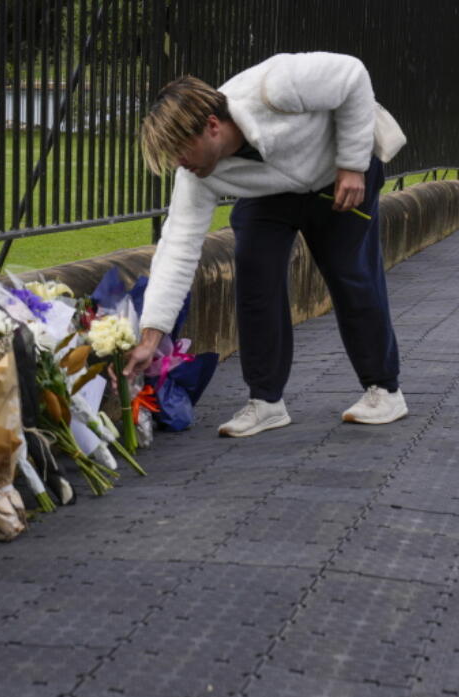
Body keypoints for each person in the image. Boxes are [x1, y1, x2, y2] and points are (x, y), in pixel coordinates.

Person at [125, 52, 408, 437]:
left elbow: (353, 75)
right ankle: (266, 401)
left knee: (351, 274)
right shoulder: (196, 175)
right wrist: (150, 337)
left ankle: (385, 390)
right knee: (254, 273)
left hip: (338, 176)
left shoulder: (273, 88)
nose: (179, 163)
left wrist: (353, 163)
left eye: (180, 150)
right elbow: (176, 249)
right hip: (271, 194)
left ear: (211, 125)